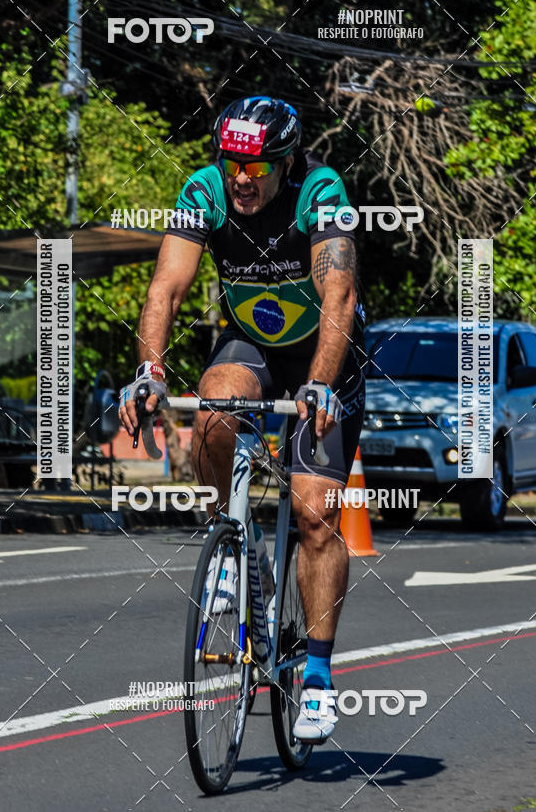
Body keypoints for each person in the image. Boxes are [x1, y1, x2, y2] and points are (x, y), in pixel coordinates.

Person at [119, 95, 365, 744]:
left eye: (257, 166)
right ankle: (231, 541)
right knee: (215, 404)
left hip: (324, 352)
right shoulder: (205, 190)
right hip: (252, 343)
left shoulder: (321, 190)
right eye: (233, 161)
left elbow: (338, 295)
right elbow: (166, 287)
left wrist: (318, 383)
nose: (242, 177)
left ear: (286, 161)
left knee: (314, 514)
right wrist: (149, 370)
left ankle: (315, 676)